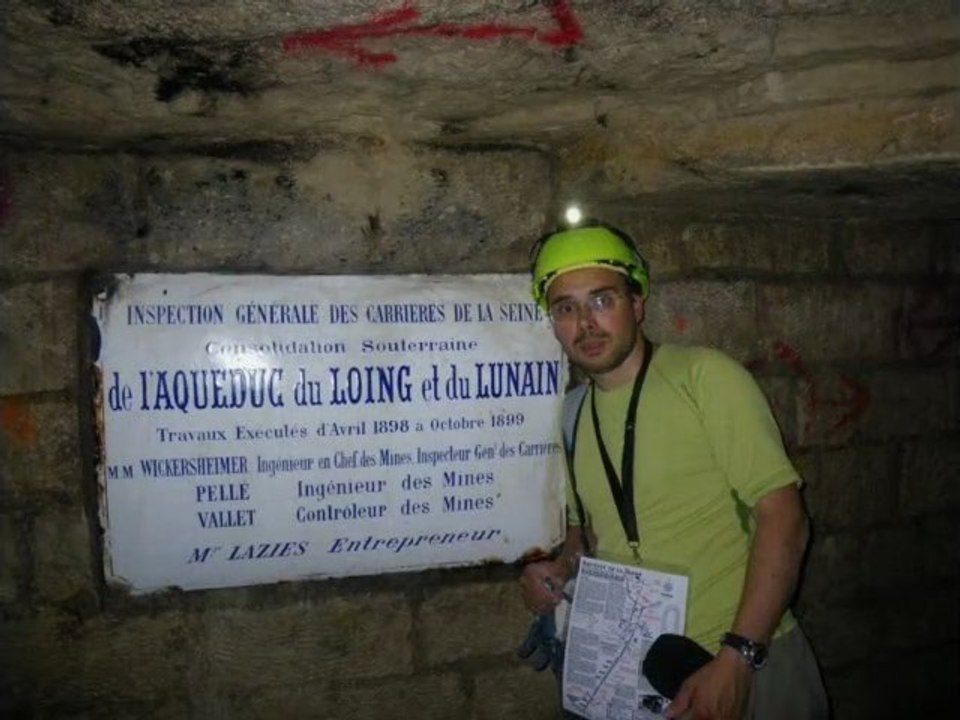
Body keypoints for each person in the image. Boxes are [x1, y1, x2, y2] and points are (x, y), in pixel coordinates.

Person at [519, 221, 829, 720]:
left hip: (746, 663)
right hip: (638, 672)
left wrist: (738, 658)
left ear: (637, 304)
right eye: (566, 308)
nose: (586, 324)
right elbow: (586, 534)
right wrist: (559, 569)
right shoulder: (572, 413)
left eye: (602, 300)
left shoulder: (705, 378)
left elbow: (785, 521)